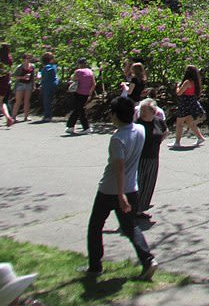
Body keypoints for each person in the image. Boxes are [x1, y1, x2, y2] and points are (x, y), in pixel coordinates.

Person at [83, 96, 157, 280]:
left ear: (115, 115)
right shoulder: (139, 130)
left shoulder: (118, 138)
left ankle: (95, 266)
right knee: (130, 227)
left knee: (95, 226)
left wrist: (120, 194)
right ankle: (148, 260)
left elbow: (119, 168)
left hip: (111, 190)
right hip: (132, 188)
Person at [135, 98, 167, 220]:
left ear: (153, 111)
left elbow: (165, 132)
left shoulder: (158, 121)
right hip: (139, 157)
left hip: (153, 157)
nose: (142, 113)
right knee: (138, 183)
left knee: (148, 184)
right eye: (141, 110)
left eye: (144, 110)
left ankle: (140, 209)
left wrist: (158, 142)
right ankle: (132, 208)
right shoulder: (137, 124)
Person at [173, 65, 205, 147]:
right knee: (190, 122)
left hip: (184, 103)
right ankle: (200, 137)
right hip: (192, 103)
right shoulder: (196, 82)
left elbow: (179, 93)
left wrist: (177, 87)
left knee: (179, 123)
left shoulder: (187, 82)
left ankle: (177, 142)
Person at [65, 57, 95, 135]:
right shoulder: (90, 72)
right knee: (77, 109)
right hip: (86, 93)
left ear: (79, 64)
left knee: (80, 110)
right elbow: (94, 83)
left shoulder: (78, 71)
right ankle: (70, 126)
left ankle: (86, 127)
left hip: (78, 92)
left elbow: (73, 79)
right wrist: (90, 92)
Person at [11, 52, 35, 122]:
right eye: (27, 58)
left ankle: (26, 116)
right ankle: (13, 117)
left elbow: (33, 76)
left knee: (27, 101)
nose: (28, 60)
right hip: (20, 85)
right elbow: (14, 77)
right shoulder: (20, 67)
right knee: (18, 101)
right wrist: (23, 77)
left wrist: (33, 84)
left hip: (28, 85)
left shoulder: (32, 66)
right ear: (24, 59)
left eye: (29, 58)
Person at [39, 52, 59, 122]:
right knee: (48, 100)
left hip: (48, 85)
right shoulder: (53, 66)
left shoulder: (47, 67)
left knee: (47, 101)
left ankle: (47, 116)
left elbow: (44, 77)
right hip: (52, 84)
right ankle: (48, 115)